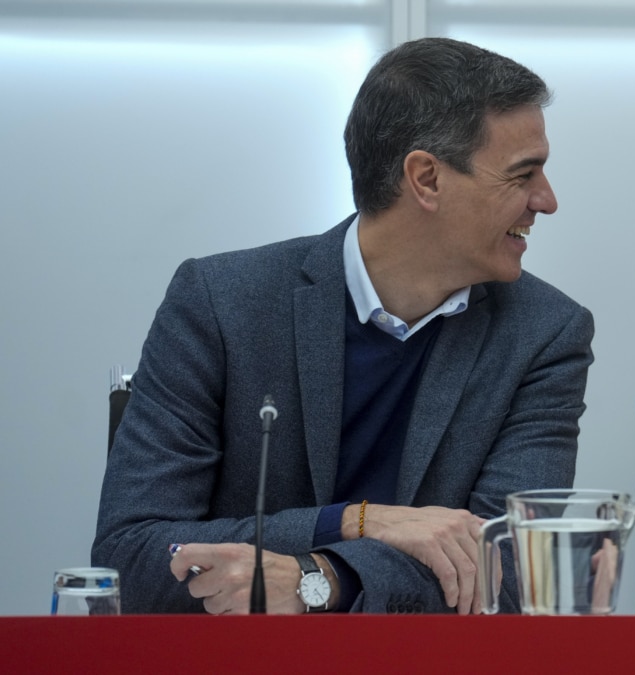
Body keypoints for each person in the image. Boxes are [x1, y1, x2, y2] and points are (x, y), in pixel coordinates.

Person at [92, 37, 594, 615]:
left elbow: (508, 576)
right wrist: (358, 522)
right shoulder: (221, 304)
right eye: (523, 174)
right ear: (426, 178)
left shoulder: (546, 334)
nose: (547, 200)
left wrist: (319, 579)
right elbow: (128, 558)